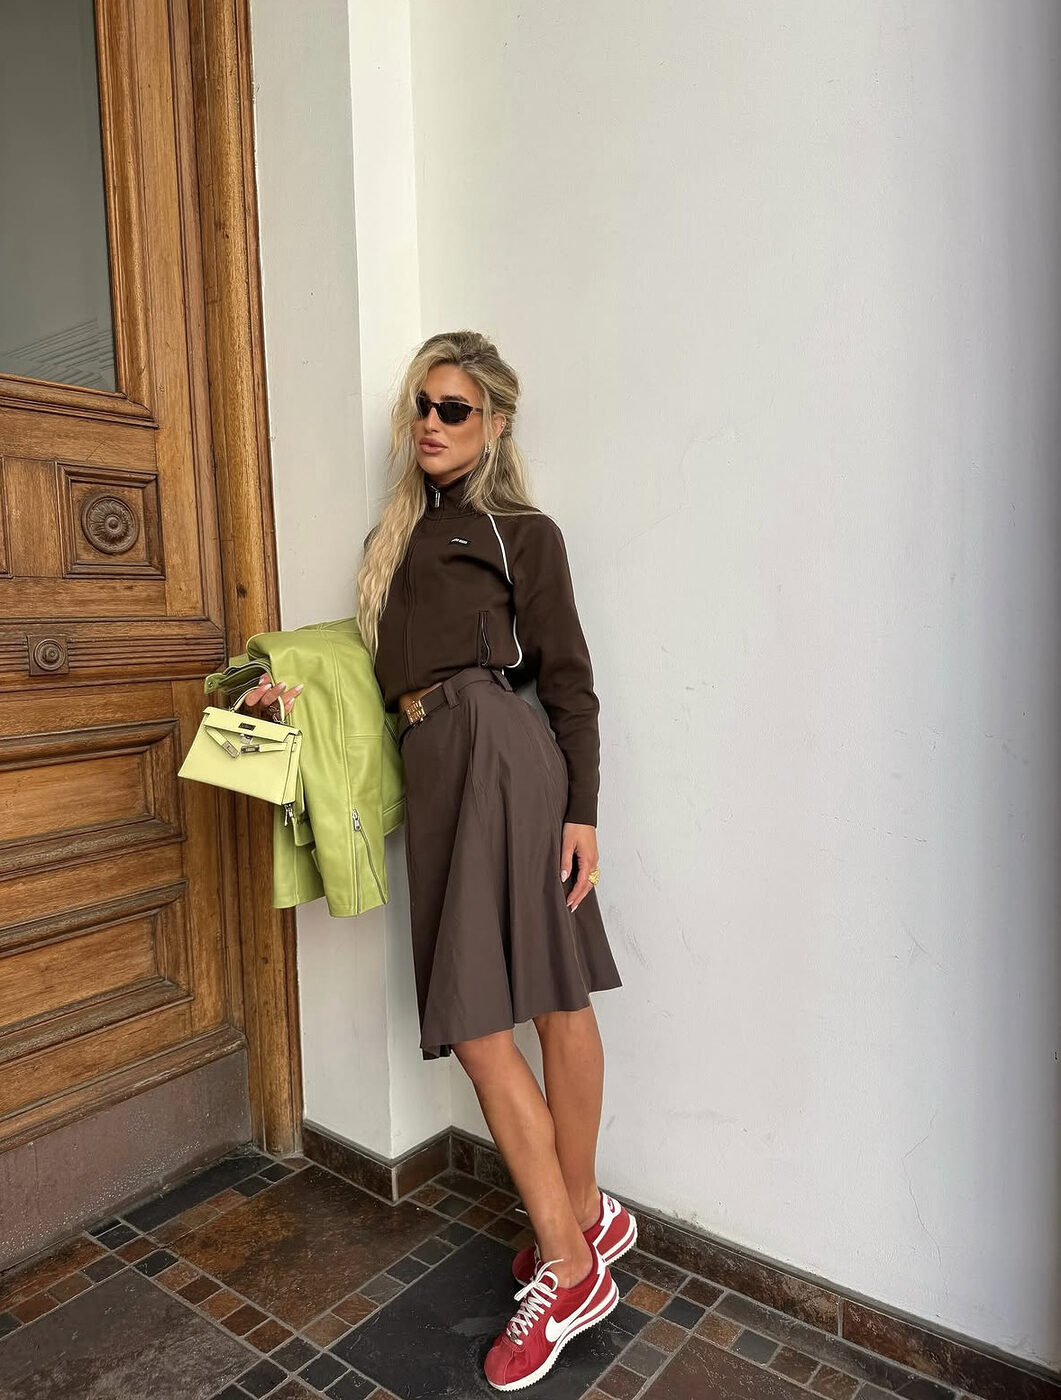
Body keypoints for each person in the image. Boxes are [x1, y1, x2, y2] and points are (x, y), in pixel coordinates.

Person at [241, 330, 634, 1390]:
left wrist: (583, 812)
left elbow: (568, 678)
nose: (430, 421)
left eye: (453, 408)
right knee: (494, 1010)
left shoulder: (520, 532)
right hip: (435, 765)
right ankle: (585, 1220)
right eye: (422, 403)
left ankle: (569, 1262)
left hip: (497, 749)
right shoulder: (397, 541)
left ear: (494, 424)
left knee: (528, 1000)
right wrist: (284, 691)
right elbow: (364, 672)